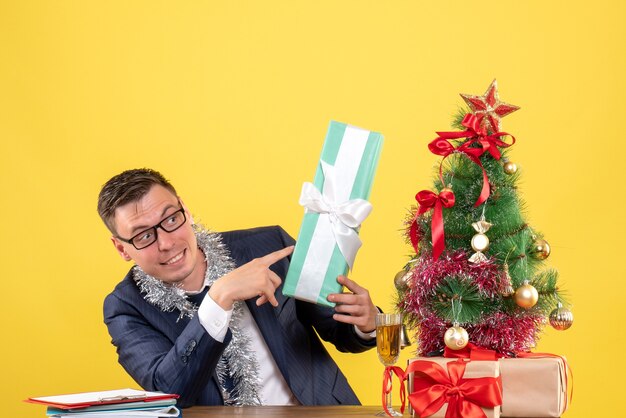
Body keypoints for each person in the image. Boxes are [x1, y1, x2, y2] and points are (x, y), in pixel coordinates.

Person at [98, 168, 379, 408]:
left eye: (171, 219)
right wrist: (219, 298)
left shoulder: (269, 245)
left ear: (186, 209)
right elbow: (172, 392)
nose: (167, 243)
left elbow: (336, 328)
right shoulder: (124, 308)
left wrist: (365, 325)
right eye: (144, 235)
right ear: (121, 248)